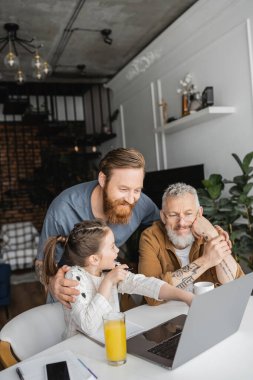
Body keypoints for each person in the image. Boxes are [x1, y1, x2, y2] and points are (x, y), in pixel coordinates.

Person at [35, 148, 160, 306]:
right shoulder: (63, 209)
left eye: (137, 190)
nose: (131, 199)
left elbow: (166, 221)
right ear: (102, 179)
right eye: (123, 189)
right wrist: (52, 281)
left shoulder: (141, 204)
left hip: (107, 294)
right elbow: (41, 263)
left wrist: (198, 222)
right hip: (69, 298)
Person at [43, 219, 193, 338]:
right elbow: (88, 326)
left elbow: (144, 284)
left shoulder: (109, 269)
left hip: (109, 341)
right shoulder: (74, 278)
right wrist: (108, 282)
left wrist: (185, 296)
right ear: (94, 259)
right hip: (79, 349)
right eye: (112, 246)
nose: (117, 250)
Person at [138, 183, 244, 306]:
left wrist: (212, 234)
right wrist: (206, 261)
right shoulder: (150, 237)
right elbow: (151, 295)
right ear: (163, 216)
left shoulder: (210, 233)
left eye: (188, 214)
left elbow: (237, 286)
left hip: (209, 310)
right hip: (166, 317)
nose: (181, 223)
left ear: (199, 214)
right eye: (173, 215)